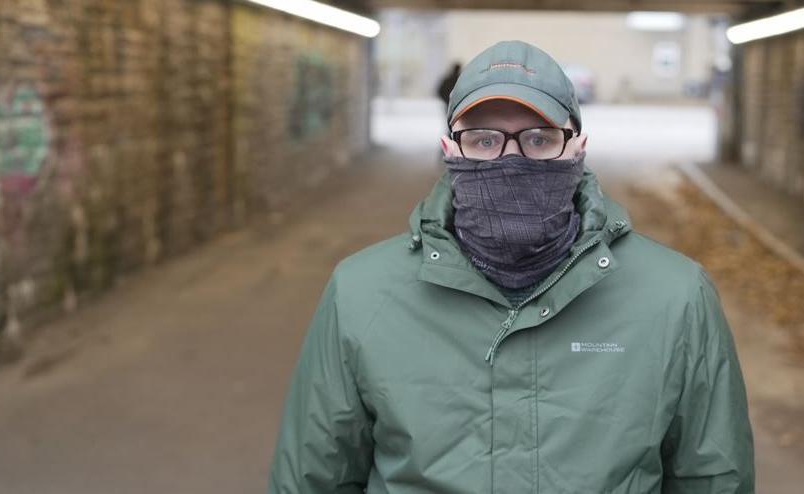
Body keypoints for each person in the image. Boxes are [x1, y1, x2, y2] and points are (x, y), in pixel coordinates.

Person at [267, 39, 755, 493]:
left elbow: (713, 478)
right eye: (483, 141)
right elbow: (313, 478)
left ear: (578, 150)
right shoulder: (360, 294)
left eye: (539, 139)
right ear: (449, 150)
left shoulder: (675, 298)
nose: (511, 158)